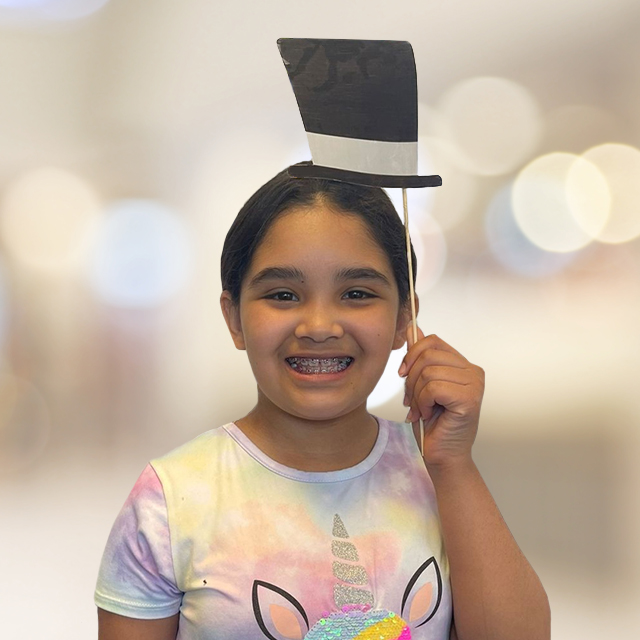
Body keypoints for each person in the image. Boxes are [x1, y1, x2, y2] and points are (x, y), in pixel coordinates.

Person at [95, 167, 551, 640]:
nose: (318, 325)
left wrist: (453, 465)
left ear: (404, 319)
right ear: (234, 319)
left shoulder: (439, 477)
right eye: (283, 295)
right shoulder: (168, 502)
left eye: (356, 294)